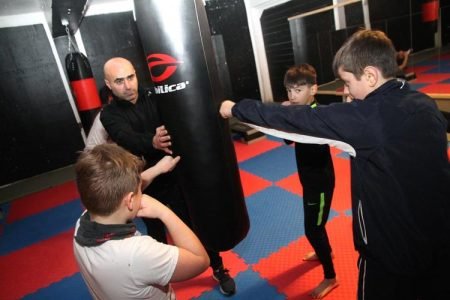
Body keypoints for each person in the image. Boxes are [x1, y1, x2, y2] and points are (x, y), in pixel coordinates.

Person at [220, 29, 450, 300]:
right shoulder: (423, 103)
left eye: (347, 81)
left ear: (370, 76)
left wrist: (235, 109)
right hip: (439, 243)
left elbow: (298, 121)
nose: (345, 90)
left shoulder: (368, 120)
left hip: (388, 255)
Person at [100, 57, 236, 295]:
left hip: (176, 172)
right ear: (109, 84)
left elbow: (179, 120)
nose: (128, 85)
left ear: (136, 74)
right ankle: (161, 287)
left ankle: (218, 267)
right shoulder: (109, 115)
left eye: (130, 77)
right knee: (156, 235)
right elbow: (126, 138)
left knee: (195, 223)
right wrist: (151, 141)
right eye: (119, 81)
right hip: (145, 181)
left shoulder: (156, 95)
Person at [73, 143, 209, 300]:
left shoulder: (82, 223)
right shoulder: (140, 253)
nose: (141, 193)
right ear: (130, 200)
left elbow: (118, 189)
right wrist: (164, 212)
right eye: (139, 191)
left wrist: (158, 169)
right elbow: (201, 260)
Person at [281, 64, 338, 299]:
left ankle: (330, 276)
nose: (292, 96)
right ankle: (326, 251)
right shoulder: (301, 111)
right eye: (289, 91)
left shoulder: (316, 116)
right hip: (309, 181)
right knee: (316, 227)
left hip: (320, 185)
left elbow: (311, 144)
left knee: (312, 229)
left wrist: (292, 117)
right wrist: (287, 117)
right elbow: (288, 141)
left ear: (313, 89)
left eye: (298, 90)